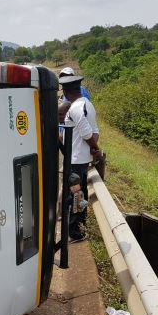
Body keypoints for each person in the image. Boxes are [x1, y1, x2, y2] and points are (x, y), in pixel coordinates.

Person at [59, 76, 102, 241]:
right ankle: (80, 226)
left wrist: (95, 148)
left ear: (66, 91)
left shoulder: (75, 108)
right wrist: (92, 147)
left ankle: (74, 232)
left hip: (74, 161)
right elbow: (95, 131)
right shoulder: (88, 105)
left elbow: (86, 134)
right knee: (80, 195)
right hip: (82, 160)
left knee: (74, 197)